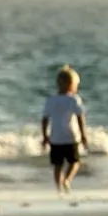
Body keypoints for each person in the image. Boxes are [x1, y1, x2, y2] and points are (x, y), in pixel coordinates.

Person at [42, 65, 90, 194]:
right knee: (75, 162)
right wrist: (83, 135)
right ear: (71, 85)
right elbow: (80, 118)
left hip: (56, 138)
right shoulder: (74, 99)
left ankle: (58, 188)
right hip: (70, 137)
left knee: (57, 165)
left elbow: (45, 119)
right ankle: (67, 180)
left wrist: (45, 136)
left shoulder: (51, 100)